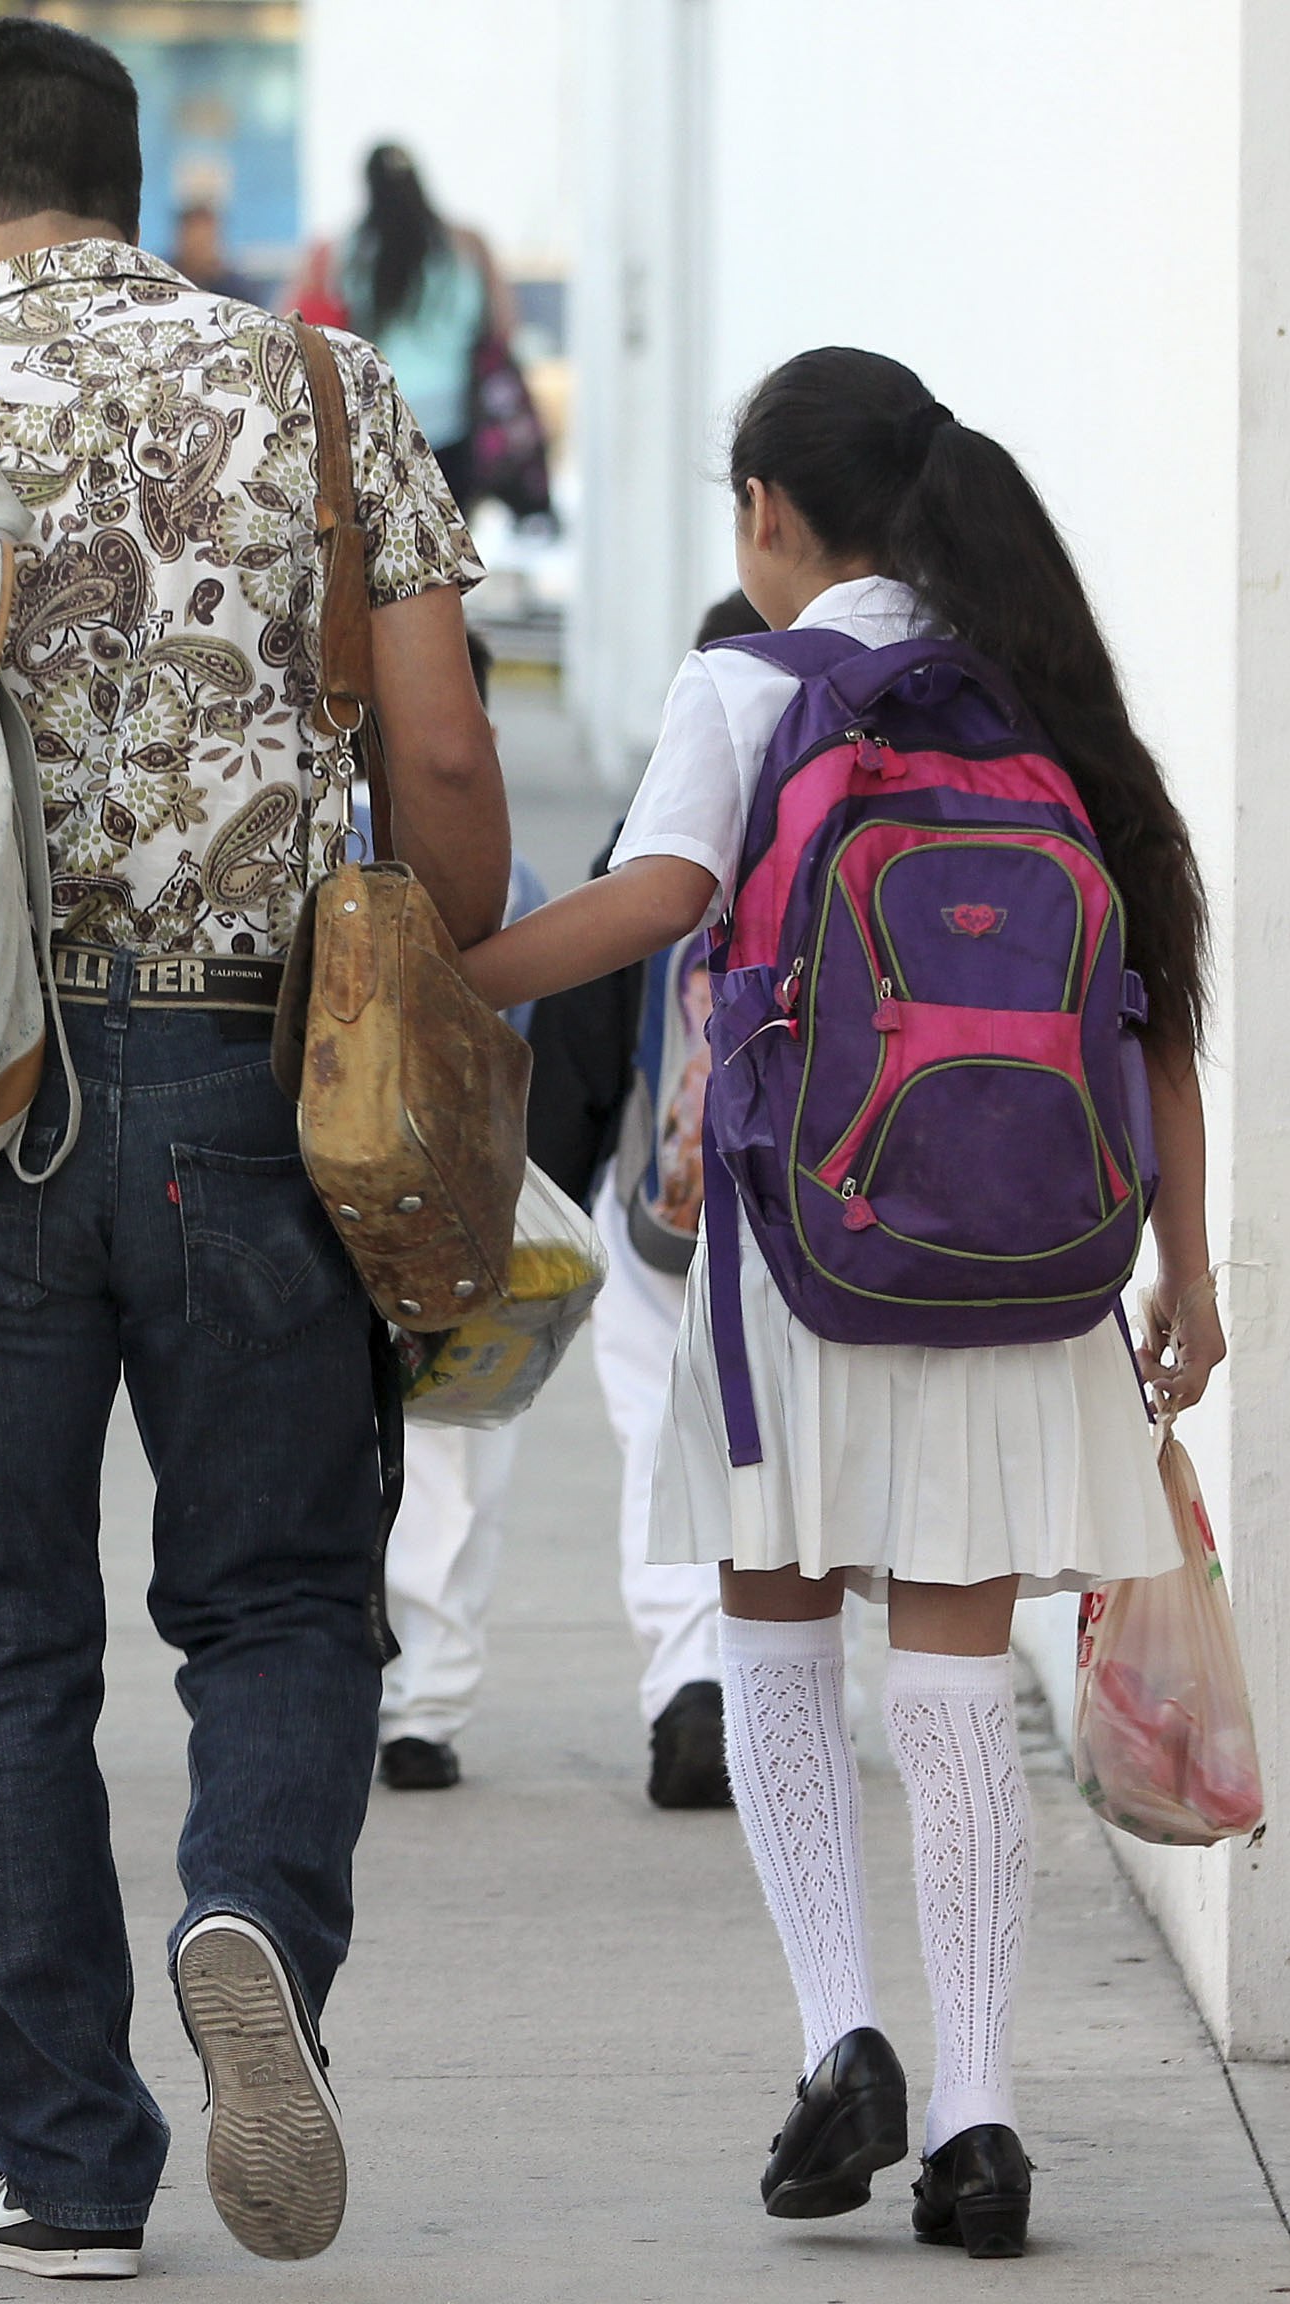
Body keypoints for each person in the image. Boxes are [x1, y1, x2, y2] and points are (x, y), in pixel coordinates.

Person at [0, 19, 505, 2277]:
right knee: (272, 1599)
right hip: (256, 1090)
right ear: (119, 179)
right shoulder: (322, 397)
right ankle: (248, 1921)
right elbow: (437, 768)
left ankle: (65, 2162)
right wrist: (431, 975)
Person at [457, 348, 1223, 2258]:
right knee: (960, 1690)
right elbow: (1160, 1012)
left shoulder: (747, 687)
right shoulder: (1051, 697)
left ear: (769, 517)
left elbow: (646, 905)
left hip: (810, 1257)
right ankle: (979, 2118)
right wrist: (1189, 1276)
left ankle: (841, 2043)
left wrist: (447, 967)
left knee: (778, 1633)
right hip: (1032, 1271)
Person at [590, 590, 772, 1814]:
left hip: (676, 1203)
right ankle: (780, 1707)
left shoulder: (662, 833)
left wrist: (534, 1185)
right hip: (836, 1216)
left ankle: (689, 1682)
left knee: (661, 1431)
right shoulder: (879, 796)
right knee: (804, 1453)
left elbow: (593, 1027)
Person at [372, 632, 544, 1797]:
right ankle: (423, 1702)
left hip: (306, 1191)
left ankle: (342, 1671)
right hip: (460, 1210)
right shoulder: (508, 876)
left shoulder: (310, 842)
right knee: (453, 1454)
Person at [302, 147, 515, 514]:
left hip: (380, 428)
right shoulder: (467, 245)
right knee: (452, 554)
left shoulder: (341, 252)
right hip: (456, 425)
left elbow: (297, 324)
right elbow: (505, 326)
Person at [169, 199, 257, 304]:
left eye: (204, 241)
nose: (198, 250)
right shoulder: (162, 281)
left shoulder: (237, 291)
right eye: (194, 240)